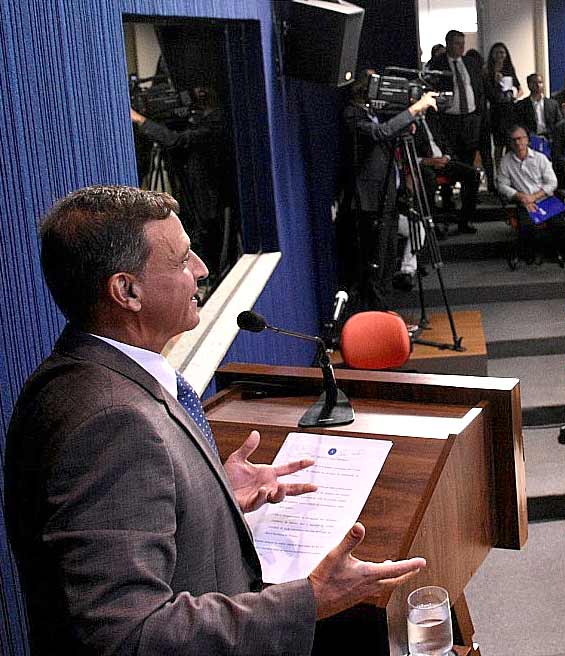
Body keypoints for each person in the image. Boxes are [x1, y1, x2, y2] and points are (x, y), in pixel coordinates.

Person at [5, 185, 426, 655]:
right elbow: (126, 637)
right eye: (183, 260)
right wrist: (308, 601)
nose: (202, 270)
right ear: (127, 291)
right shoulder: (110, 422)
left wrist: (211, 493)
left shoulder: (88, 374)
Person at [339, 82, 438, 312]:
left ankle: (384, 311)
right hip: (371, 201)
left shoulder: (375, 114)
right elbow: (379, 133)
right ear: (362, 89)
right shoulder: (353, 114)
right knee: (375, 261)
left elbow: (388, 133)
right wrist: (413, 110)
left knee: (388, 259)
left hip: (390, 197)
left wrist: (409, 123)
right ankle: (375, 315)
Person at [130, 86, 235, 286]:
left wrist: (141, 121)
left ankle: (211, 279)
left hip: (208, 196)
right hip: (197, 191)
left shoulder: (215, 123)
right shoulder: (198, 118)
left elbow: (175, 141)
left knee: (208, 235)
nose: (198, 95)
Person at [496, 126, 563, 264]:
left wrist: (534, 197)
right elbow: (501, 185)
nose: (518, 143)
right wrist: (519, 196)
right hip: (522, 201)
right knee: (527, 226)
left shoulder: (540, 158)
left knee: (559, 223)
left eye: (521, 138)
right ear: (510, 143)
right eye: (514, 140)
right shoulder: (506, 161)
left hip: (544, 199)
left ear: (527, 140)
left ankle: (551, 253)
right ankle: (530, 254)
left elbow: (552, 182)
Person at [414, 102, 481, 238]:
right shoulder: (407, 123)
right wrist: (429, 161)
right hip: (424, 164)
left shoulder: (432, 119)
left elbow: (445, 142)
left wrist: (446, 156)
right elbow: (406, 154)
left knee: (472, 174)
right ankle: (430, 226)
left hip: (443, 161)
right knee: (428, 180)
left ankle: (464, 220)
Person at [428, 30, 484, 184]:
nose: (461, 47)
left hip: (470, 117)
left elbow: (478, 88)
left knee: (468, 157)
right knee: (450, 157)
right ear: (448, 44)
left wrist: (478, 113)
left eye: (462, 43)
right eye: (457, 43)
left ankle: (469, 194)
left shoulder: (470, 63)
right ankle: (448, 196)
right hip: (449, 119)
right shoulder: (438, 63)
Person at [483, 42, 521, 161]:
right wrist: (495, 80)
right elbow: (486, 91)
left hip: (509, 110)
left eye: (502, 52)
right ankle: (499, 169)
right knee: (499, 144)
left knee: (510, 142)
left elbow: (519, 88)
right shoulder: (487, 70)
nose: (500, 55)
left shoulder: (509, 68)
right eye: (497, 52)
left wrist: (514, 95)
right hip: (496, 111)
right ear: (492, 54)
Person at [514, 72, 561, 138]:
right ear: (528, 85)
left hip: (551, 139)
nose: (538, 85)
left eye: (540, 82)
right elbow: (519, 125)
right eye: (534, 83)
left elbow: (559, 124)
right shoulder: (521, 105)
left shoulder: (553, 104)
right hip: (530, 139)